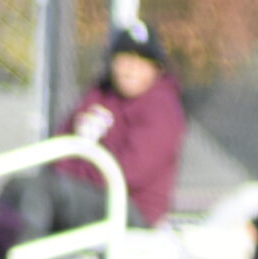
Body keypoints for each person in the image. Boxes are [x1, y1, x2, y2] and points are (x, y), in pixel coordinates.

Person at [10, 22, 185, 237]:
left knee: (41, 192)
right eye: (124, 58)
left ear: (157, 69)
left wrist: (72, 172)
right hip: (84, 194)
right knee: (17, 188)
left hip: (130, 211)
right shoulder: (100, 94)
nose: (131, 68)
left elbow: (128, 172)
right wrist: (70, 171)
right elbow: (61, 142)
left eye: (142, 61)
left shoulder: (160, 107)